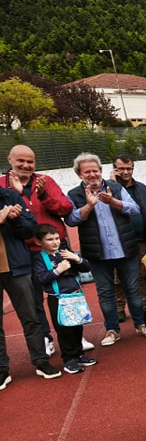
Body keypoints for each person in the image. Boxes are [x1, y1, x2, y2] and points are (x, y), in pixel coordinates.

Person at [66, 153, 146, 346]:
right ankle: (112, 330)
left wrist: (113, 202)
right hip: (97, 254)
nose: (92, 175)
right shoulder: (74, 194)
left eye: (95, 170)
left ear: (101, 171)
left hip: (125, 249)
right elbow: (71, 219)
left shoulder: (116, 188)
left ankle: (141, 324)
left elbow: (134, 209)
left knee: (133, 289)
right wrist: (89, 206)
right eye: (87, 172)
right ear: (79, 174)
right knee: (105, 293)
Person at [2, 144, 76, 356]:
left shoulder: (46, 181)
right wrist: (15, 196)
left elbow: (65, 208)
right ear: (10, 160)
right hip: (24, 252)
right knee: (33, 301)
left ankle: (73, 334)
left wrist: (44, 196)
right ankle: (45, 338)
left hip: (55, 248)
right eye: (21, 161)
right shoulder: (2, 186)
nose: (26, 165)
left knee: (66, 292)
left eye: (30, 162)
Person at [1, 182, 61, 386]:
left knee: (31, 317)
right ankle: (2, 369)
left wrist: (16, 218)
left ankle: (41, 361)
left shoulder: (10, 196)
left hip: (17, 267)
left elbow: (30, 230)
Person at [31, 224, 97, 375]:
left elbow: (86, 268)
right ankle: (69, 359)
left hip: (75, 296)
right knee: (64, 329)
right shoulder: (39, 259)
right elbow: (41, 278)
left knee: (77, 326)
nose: (55, 242)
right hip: (58, 299)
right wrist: (58, 270)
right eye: (50, 239)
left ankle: (79, 354)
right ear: (39, 242)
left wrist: (76, 258)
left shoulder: (65, 253)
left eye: (57, 238)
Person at [110, 155, 146, 321]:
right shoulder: (108, 189)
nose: (125, 172)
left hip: (141, 239)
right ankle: (119, 308)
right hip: (119, 241)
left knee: (143, 273)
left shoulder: (142, 189)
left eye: (128, 168)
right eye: (121, 169)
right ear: (114, 170)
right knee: (117, 277)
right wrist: (113, 183)